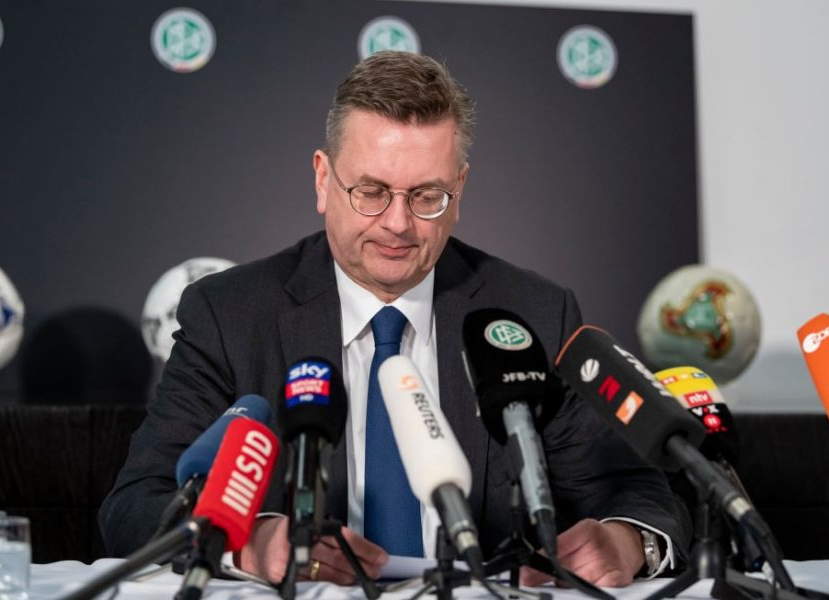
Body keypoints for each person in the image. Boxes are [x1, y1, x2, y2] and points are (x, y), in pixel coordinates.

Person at [99, 50, 691, 588]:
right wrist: (250, 542)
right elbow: (137, 503)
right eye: (372, 192)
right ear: (323, 180)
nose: (398, 224)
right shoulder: (231, 315)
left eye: (426, 195)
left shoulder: (533, 313)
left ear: (459, 190)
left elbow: (634, 491)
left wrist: (625, 540)